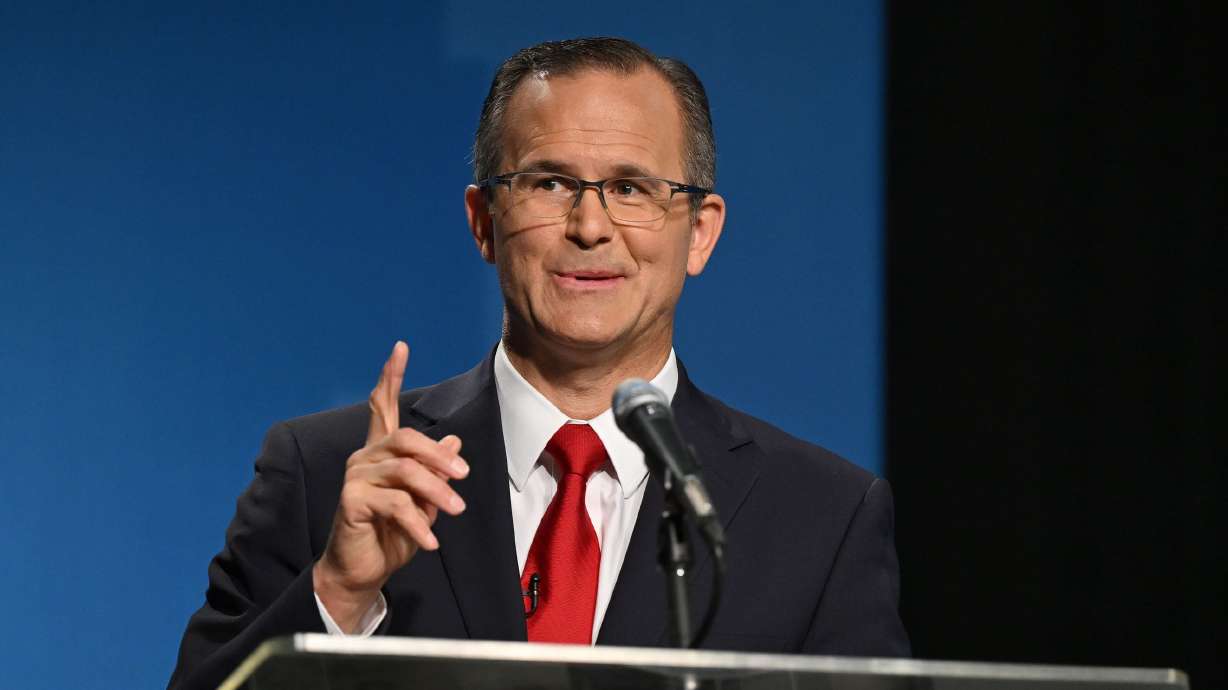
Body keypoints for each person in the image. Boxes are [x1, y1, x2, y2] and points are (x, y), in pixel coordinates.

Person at [168, 36, 909, 690]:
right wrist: (337, 595)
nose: (590, 227)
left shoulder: (823, 518)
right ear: (484, 222)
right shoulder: (325, 476)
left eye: (630, 188)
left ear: (700, 233)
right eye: (549, 183)